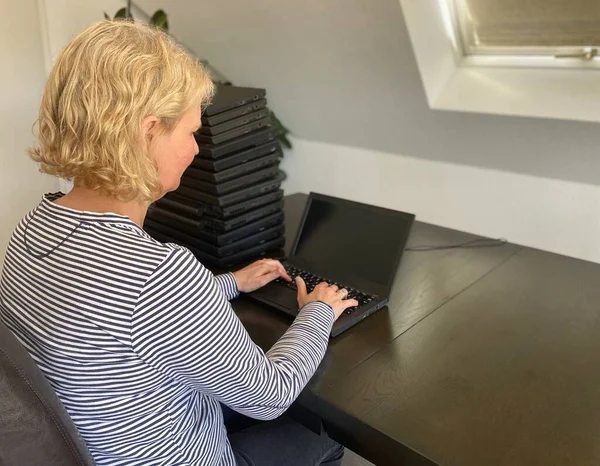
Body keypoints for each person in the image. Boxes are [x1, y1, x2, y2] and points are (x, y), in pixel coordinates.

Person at [0, 20, 358, 466]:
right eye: (191, 133)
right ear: (148, 132)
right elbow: (269, 394)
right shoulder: (157, 273)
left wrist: (228, 282)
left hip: (106, 448)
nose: (195, 150)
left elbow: (119, 316)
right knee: (311, 436)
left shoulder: (33, 228)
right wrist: (318, 310)